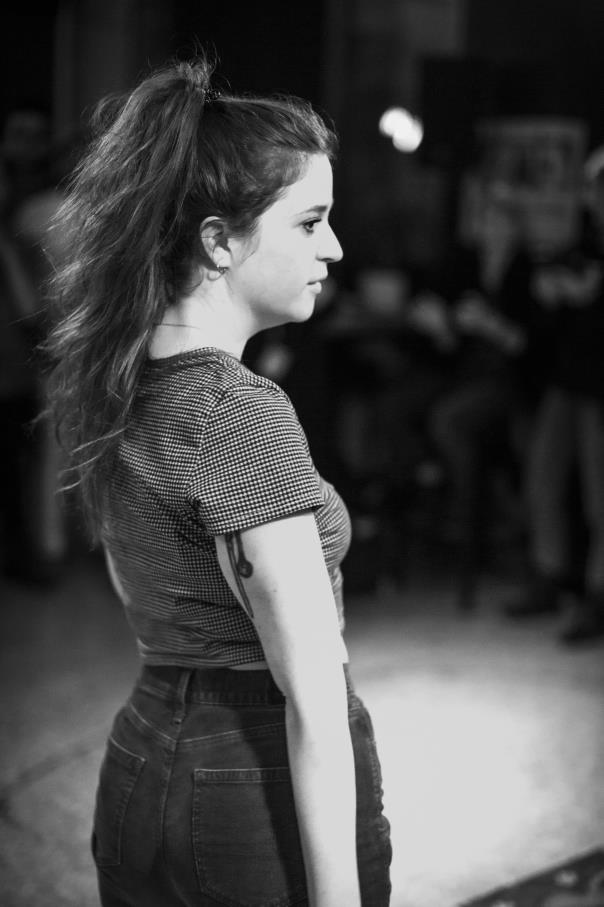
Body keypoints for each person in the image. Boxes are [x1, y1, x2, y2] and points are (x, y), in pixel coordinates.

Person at [42, 56, 392, 906]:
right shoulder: (237, 413)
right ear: (219, 241)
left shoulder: (120, 380)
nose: (335, 248)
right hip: (248, 774)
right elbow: (312, 701)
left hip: (142, 750)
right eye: (310, 222)